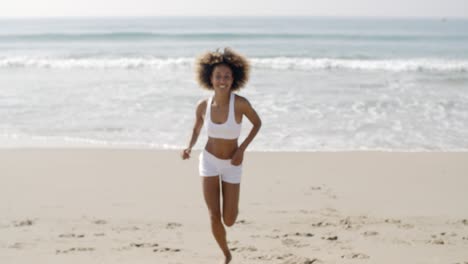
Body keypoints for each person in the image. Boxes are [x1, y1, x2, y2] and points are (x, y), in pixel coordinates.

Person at [181, 48, 262, 264]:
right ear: (210, 78)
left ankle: (232, 206)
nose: (222, 80)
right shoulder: (203, 105)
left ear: (234, 78)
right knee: (213, 215)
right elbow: (197, 128)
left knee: (229, 219)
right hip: (208, 161)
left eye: (226, 76)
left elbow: (257, 124)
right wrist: (189, 147)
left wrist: (241, 149)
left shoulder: (241, 104)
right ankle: (226, 253)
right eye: (218, 76)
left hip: (232, 164)